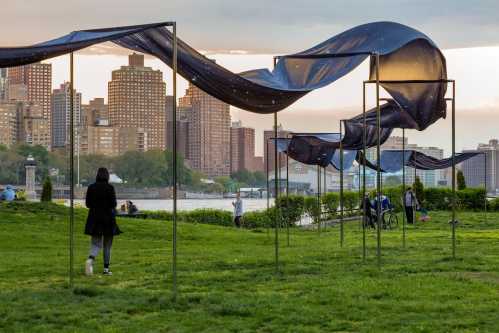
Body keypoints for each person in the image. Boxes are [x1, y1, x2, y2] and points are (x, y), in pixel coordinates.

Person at [84, 167, 121, 276]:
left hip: (94, 219)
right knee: (107, 245)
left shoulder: (91, 187)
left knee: (95, 244)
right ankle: (106, 269)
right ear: (107, 176)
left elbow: (88, 204)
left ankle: (90, 260)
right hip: (108, 219)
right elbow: (113, 204)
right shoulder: (110, 188)